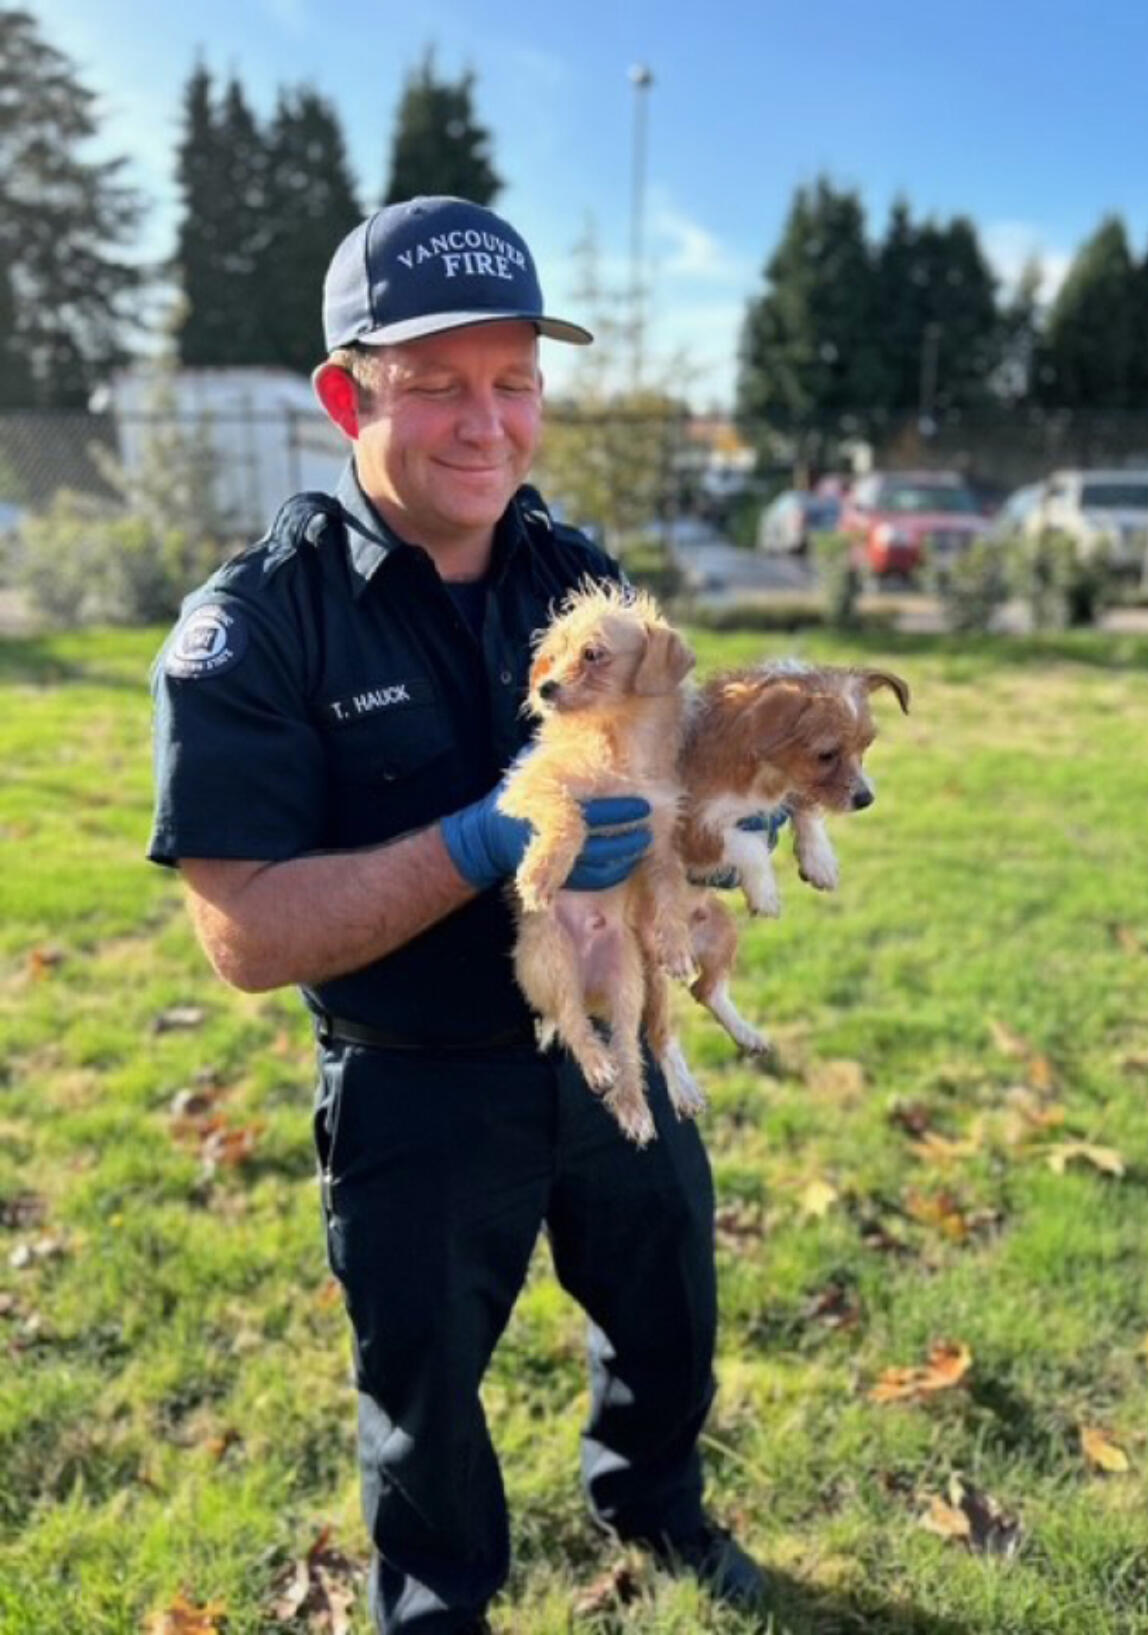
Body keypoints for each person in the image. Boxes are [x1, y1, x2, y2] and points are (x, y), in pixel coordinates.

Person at [148, 195, 766, 1634]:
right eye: (434, 385)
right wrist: (485, 841)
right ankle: (437, 1606)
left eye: (514, 382)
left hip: (607, 1036)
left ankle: (654, 1501)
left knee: (671, 1314)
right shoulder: (261, 622)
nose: (485, 424)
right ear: (344, 393)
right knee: (423, 1399)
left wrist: (729, 809)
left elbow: (671, 769)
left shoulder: (574, 571)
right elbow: (241, 936)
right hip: (414, 1091)